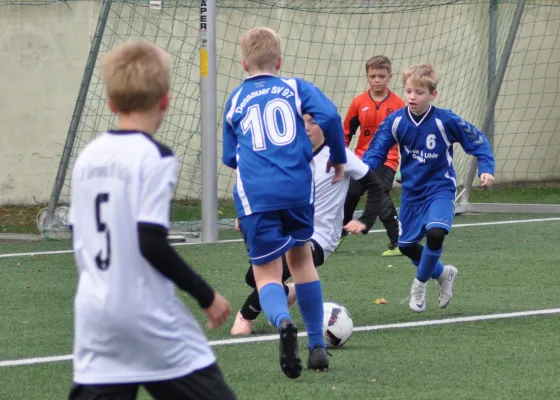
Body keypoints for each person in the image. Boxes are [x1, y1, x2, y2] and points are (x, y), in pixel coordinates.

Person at [68, 40, 236, 400]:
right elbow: (149, 241)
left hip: (95, 315)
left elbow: (78, 235)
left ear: (111, 103)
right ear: (165, 100)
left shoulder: (87, 157)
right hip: (146, 316)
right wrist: (206, 295)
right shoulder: (154, 157)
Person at [222, 27, 347, 378]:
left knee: (267, 274)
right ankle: (316, 345)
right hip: (296, 189)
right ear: (279, 61)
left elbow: (231, 158)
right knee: (302, 260)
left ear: (244, 63)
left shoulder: (235, 100)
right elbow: (332, 117)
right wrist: (337, 156)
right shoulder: (295, 87)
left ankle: (282, 323)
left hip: (257, 195)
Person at [230, 113, 384, 336]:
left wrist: (366, 220)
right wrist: (246, 213)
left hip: (319, 236)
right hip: (287, 227)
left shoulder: (339, 155)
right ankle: (287, 293)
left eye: (314, 122)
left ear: (328, 127)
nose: (308, 127)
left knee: (280, 269)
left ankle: (245, 316)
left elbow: (375, 185)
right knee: (253, 278)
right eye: (302, 122)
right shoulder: (288, 154)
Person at [362, 64, 495, 313]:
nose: (412, 96)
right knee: (406, 246)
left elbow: (477, 140)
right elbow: (376, 151)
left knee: (436, 234)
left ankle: (419, 285)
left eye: (419, 92)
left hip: (440, 188)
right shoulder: (397, 121)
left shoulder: (446, 120)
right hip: (412, 193)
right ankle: (443, 274)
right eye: (409, 91)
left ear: (433, 94)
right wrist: (358, 172)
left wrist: (486, 167)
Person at [337, 55, 406, 256]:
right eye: (373, 76)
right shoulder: (358, 103)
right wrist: (341, 158)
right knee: (349, 195)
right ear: (367, 76)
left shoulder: (399, 105)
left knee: (381, 195)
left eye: (381, 76)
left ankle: (398, 242)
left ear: (389, 77)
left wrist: (404, 168)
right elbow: (346, 132)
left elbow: (405, 138)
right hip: (362, 158)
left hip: (388, 159)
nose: (377, 80)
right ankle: (339, 233)